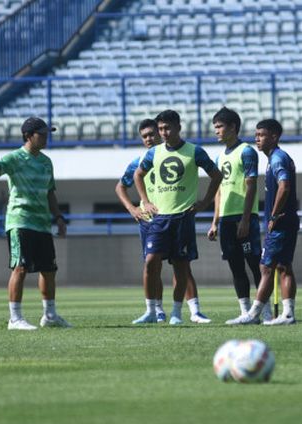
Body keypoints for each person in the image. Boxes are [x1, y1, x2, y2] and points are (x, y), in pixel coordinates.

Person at [0, 117, 70, 330]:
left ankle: (50, 315)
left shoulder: (47, 162)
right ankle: (15, 318)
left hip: (42, 223)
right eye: (42, 133)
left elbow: (50, 193)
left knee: (48, 269)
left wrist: (58, 217)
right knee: (20, 267)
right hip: (20, 221)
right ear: (28, 136)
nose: (46, 137)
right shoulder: (15, 158)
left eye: (47, 133)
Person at [133, 110, 222, 325]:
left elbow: (217, 175)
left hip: (183, 218)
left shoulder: (194, 151)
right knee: (151, 262)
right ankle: (152, 311)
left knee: (181, 266)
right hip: (160, 219)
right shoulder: (154, 153)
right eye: (161, 128)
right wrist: (145, 201)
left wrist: (205, 202)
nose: (163, 132)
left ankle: (176, 313)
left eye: (167, 128)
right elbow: (138, 175)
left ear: (179, 127)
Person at [115, 119, 204, 324]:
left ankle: (193, 311)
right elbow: (120, 187)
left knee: (181, 264)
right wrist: (133, 208)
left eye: (152, 134)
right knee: (152, 266)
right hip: (149, 221)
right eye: (144, 136)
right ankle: (157, 310)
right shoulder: (139, 162)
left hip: (175, 216)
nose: (149, 139)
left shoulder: (177, 155)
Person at [226, 119, 299, 326]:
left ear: (274, 136)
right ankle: (288, 314)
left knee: (266, 267)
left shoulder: (277, 158)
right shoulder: (277, 158)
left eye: (261, 135)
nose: (256, 139)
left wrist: (274, 215)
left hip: (281, 223)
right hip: (287, 221)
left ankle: (254, 313)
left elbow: (284, 187)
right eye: (256, 135)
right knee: (284, 267)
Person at [207, 107, 272, 321]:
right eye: (215, 127)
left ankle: (265, 310)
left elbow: (251, 186)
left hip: (244, 218)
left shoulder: (246, 151)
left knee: (255, 265)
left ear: (233, 127)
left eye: (220, 126)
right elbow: (218, 190)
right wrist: (215, 221)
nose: (216, 131)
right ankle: (245, 311)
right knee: (235, 266)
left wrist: (245, 219)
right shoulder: (219, 157)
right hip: (225, 220)